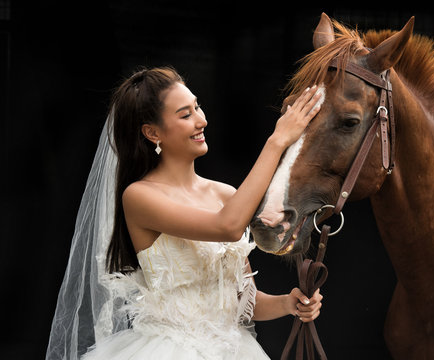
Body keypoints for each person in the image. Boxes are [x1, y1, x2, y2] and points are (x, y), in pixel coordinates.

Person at [46, 66, 323, 360]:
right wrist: (277, 141)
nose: (201, 120)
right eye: (185, 114)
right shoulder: (140, 197)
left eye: (197, 107)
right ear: (152, 133)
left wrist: (289, 303)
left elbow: (243, 304)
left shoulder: (225, 195)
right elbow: (227, 226)